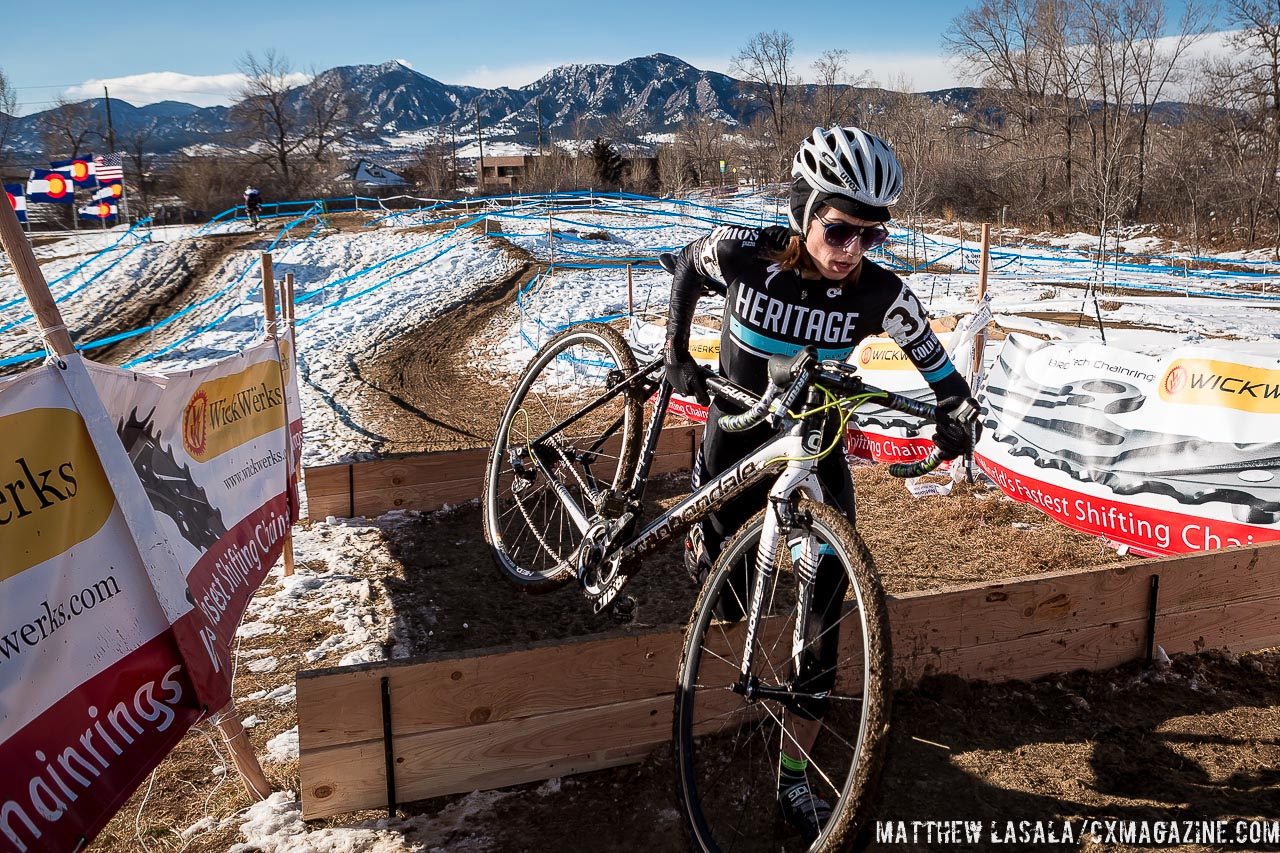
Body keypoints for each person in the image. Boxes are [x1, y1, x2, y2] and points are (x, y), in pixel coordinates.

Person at [663, 125, 981, 842]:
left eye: (870, 236)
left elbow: (944, 376)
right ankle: (703, 544)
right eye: (838, 230)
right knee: (731, 598)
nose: (851, 251)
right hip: (736, 436)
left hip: (818, 444)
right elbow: (687, 265)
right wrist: (676, 351)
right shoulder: (746, 253)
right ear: (805, 211)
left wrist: (959, 416)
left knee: (825, 616)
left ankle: (796, 778)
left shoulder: (883, 294)